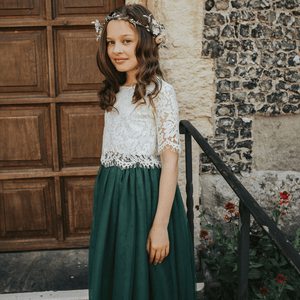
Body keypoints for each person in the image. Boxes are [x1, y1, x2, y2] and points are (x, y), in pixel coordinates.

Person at [88, 4, 197, 300]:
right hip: (112, 194)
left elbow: (171, 159)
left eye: (126, 41)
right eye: (110, 42)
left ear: (145, 43)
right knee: (117, 268)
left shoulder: (159, 91)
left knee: (151, 276)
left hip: (147, 197)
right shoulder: (113, 91)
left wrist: (160, 224)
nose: (116, 50)